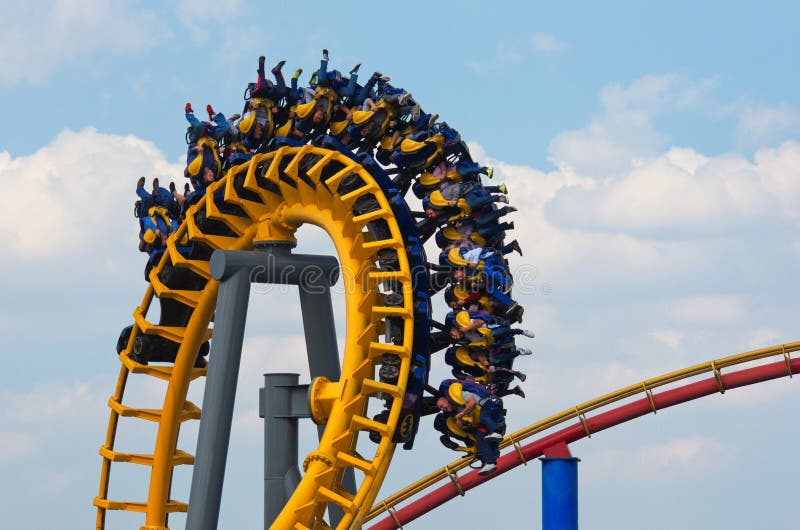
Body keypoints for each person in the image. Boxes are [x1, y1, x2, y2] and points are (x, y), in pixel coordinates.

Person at [437, 379, 506, 475]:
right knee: (480, 439)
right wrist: (459, 422)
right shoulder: (457, 411)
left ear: (446, 400)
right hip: (484, 425)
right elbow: (467, 424)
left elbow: (472, 402)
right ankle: (490, 463)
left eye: (441, 406)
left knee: (484, 416)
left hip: (487, 406)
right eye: (440, 409)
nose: (442, 409)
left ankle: (496, 432)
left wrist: (461, 415)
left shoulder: (460, 395)